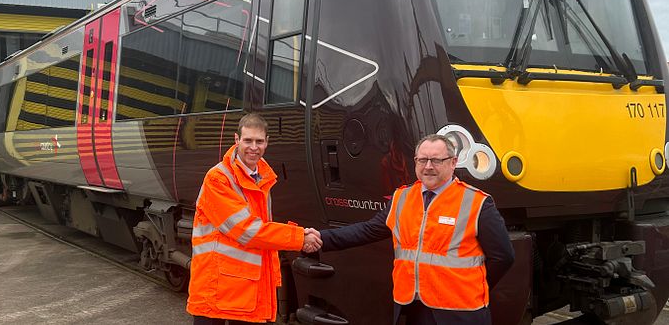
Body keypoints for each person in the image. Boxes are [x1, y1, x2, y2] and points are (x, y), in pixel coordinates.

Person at [305, 134, 514, 325]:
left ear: (453, 163)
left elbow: (503, 257)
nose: (428, 166)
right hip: (414, 308)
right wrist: (321, 238)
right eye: (422, 160)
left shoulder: (477, 203)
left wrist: (474, 286)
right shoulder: (402, 198)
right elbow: (368, 230)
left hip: (461, 312)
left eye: (436, 160)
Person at [187, 113, 322, 325]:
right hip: (215, 285)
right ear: (236, 140)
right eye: (248, 140)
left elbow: (259, 230)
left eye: (259, 141)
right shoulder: (219, 178)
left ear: (267, 142)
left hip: (242, 285)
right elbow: (247, 230)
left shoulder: (262, 177)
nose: (253, 147)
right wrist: (298, 237)